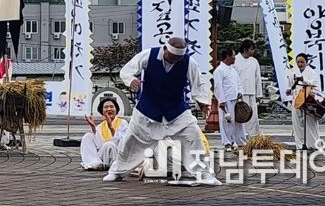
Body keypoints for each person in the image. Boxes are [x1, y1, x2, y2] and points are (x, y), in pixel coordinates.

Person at [103, 37, 220, 185]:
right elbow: (127, 70)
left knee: (194, 136)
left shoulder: (188, 62)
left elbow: (198, 83)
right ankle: (117, 172)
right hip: (147, 110)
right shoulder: (148, 55)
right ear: (165, 49)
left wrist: (202, 102)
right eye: (172, 57)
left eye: (178, 58)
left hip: (176, 111)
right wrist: (131, 80)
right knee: (129, 141)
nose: (175, 61)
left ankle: (203, 173)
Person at [80, 98, 128, 170]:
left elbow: (122, 142)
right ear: (102, 111)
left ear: (116, 109)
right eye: (106, 107)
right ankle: (94, 163)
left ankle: (110, 165)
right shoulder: (100, 126)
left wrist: (111, 127)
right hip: (103, 156)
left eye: (111, 107)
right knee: (87, 136)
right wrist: (93, 127)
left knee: (109, 144)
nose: (109, 109)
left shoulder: (123, 123)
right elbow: (99, 145)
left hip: (117, 155)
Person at [214, 48, 246, 152]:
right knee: (226, 122)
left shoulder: (233, 70)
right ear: (228, 56)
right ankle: (227, 142)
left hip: (236, 99)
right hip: (226, 100)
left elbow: (239, 83)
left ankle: (241, 142)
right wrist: (221, 100)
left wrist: (240, 92)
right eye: (233, 56)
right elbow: (218, 86)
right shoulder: (219, 70)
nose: (234, 58)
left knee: (239, 121)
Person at [287, 53, 320, 150]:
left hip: (309, 100)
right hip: (297, 100)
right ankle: (300, 145)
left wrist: (303, 80)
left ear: (306, 62)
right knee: (297, 123)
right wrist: (289, 90)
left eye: (302, 62)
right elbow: (290, 87)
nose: (300, 64)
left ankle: (313, 145)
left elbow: (314, 84)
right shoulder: (293, 73)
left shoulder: (312, 73)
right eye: (298, 62)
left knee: (310, 123)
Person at [232, 39, 262, 137]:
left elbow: (257, 78)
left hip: (252, 93)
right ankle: (240, 137)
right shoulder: (235, 60)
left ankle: (253, 136)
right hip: (240, 94)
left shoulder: (254, 61)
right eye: (251, 49)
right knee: (241, 116)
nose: (253, 51)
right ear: (245, 49)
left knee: (253, 116)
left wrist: (259, 94)